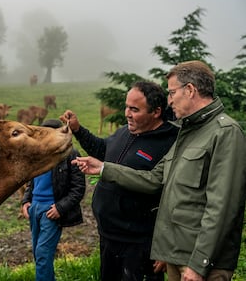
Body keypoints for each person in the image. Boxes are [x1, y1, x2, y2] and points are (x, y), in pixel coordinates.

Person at [73, 60, 246, 281]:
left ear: (190, 90)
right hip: (177, 256)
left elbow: (222, 208)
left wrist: (199, 264)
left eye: (172, 92)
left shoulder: (225, 133)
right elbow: (155, 179)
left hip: (198, 265)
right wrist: (104, 168)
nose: (169, 100)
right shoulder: (188, 131)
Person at [60, 81, 179, 281]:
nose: (127, 113)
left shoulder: (170, 142)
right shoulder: (126, 131)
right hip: (109, 237)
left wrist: (166, 249)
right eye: (126, 106)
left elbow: (174, 199)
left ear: (156, 112)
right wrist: (78, 129)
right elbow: (103, 150)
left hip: (140, 245)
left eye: (134, 109)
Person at [21, 119, 86, 281]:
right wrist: (26, 201)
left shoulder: (71, 155)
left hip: (51, 211)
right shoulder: (38, 155)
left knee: (43, 254)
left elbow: (78, 188)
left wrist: (60, 208)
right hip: (34, 208)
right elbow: (31, 182)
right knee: (39, 254)